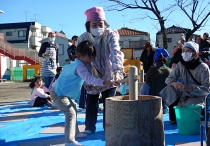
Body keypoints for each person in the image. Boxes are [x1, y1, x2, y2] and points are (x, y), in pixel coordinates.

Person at [50, 40, 113, 146]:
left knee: (73, 109)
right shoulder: (80, 66)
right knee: (70, 113)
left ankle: (76, 133)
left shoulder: (74, 64)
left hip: (61, 92)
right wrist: (104, 82)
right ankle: (69, 141)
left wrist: (87, 85)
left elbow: (76, 78)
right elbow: (89, 78)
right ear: (79, 55)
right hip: (58, 94)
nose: (91, 60)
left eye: (93, 57)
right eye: (89, 57)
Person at [77, 6, 124, 134]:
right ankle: (89, 128)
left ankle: (108, 128)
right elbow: (80, 60)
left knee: (109, 103)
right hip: (91, 75)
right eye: (94, 24)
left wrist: (117, 71)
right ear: (88, 25)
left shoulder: (110, 35)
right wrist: (85, 81)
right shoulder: (82, 38)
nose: (98, 27)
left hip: (109, 73)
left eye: (101, 24)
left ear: (105, 24)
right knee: (91, 102)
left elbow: (115, 53)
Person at [159, 41, 210, 124]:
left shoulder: (203, 67)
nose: (185, 53)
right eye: (183, 50)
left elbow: (207, 89)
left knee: (189, 108)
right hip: (184, 93)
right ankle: (174, 118)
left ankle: (199, 117)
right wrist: (174, 83)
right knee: (169, 89)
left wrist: (190, 88)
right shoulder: (181, 65)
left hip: (198, 96)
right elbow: (168, 79)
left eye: (188, 51)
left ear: (195, 54)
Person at [146, 48, 171, 114]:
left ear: (155, 59)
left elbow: (146, 86)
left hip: (153, 101)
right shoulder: (169, 71)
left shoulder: (151, 71)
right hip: (167, 103)